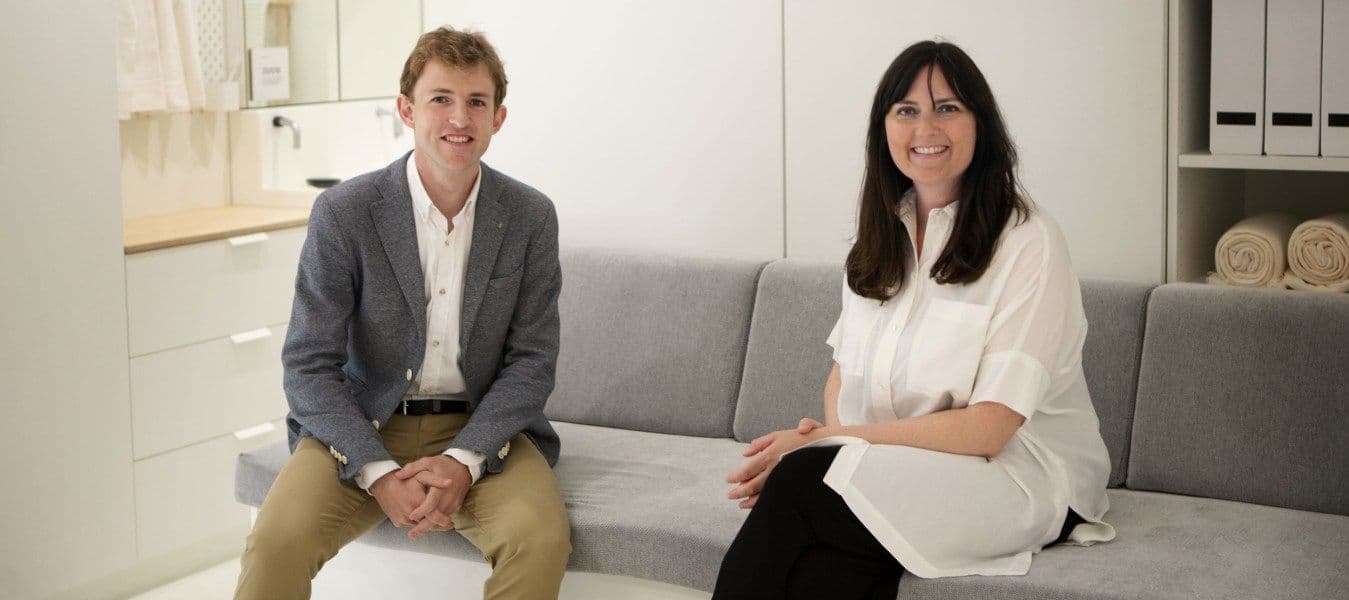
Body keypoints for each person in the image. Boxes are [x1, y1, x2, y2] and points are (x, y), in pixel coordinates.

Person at [713, 40, 1116, 599]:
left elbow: (990, 429)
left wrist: (831, 443)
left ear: (982, 124)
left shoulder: (1029, 241)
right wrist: (839, 442)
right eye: (906, 110)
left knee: (803, 479)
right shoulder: (880, 236)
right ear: (885, 129)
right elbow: (844, 375)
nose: (926, 127)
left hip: (1022, 476)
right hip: (906, 466)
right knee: (820, 572)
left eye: (948, 107)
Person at [234, 26, 571, 600]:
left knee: (539, 540)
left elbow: (532, 363)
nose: (459, 118)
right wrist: (377, 473)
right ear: (406, 109)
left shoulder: (530, 217)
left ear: (499, 118)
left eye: (476, 102)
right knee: (276, 541)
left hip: (479, 428)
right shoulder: (344, 213)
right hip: (362, 422)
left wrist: (464, 461)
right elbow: (308, 366)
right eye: (440, 98)